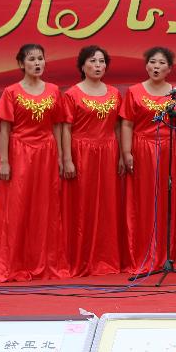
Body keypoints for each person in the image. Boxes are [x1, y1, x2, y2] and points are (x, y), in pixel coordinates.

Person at [0, 44, 67, 283]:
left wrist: (61, 156)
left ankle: (43, 261)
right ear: (21, 64)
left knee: (45, 207)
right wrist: (5, 161)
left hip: (46, 152)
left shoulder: (53, 90)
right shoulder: (11, 92)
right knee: (17, 207)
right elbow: (5, 129)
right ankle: (12, 263)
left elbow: (58, 125)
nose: (37, 63)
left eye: (40, 58)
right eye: (31, 59)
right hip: (20, 151)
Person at [60, 45, 123, 277]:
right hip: (82, 152)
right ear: (82, 65)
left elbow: (118, 126)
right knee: (82, 207)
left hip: (108, 151)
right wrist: (67, 159)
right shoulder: (72, 94)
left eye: (101, 61)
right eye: (93, 61)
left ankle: (106, 257)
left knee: (107, 205)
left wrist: (122, 155)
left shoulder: (115, 93)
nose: (98, 65)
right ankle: (80, 258)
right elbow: (66, 128)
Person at [120, 46, 176, 273]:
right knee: (143, 201)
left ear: (169, 69)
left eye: (162, 63)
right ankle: (141, 253)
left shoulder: (175, 94)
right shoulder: (134, 91)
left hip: (168, 150)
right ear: (146, 66)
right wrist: (126, 152)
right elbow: (127, 124)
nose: (156, 67)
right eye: (153, 62)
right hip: (142, 148)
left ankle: (165, 254)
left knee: (165, 201)